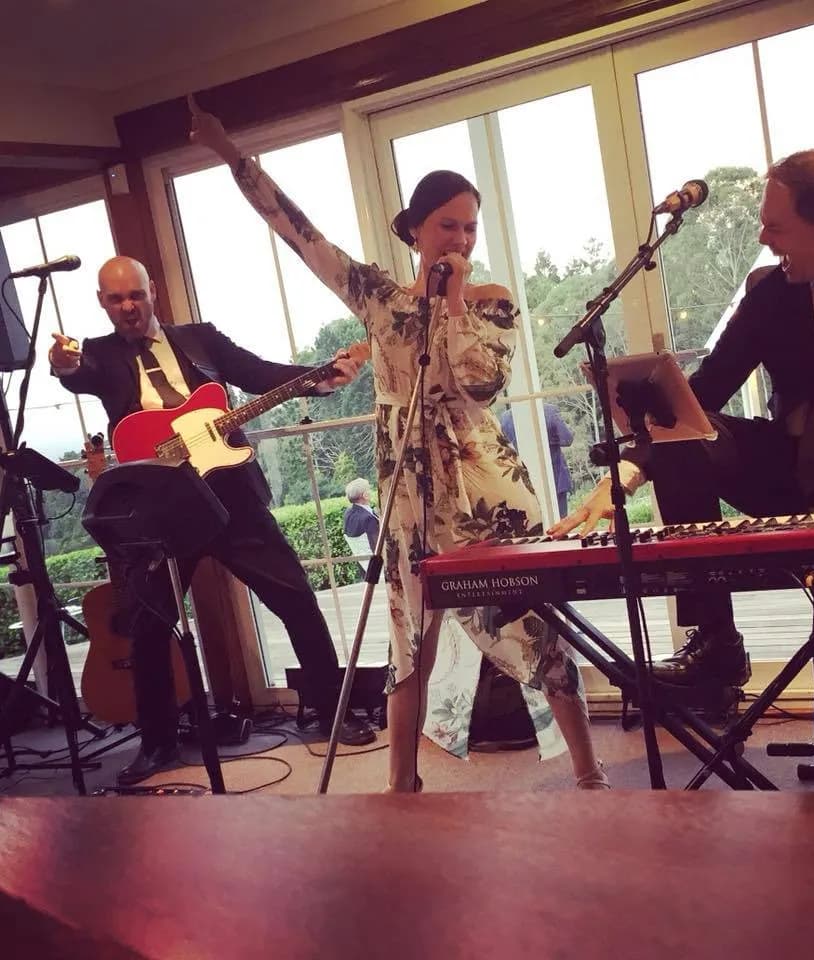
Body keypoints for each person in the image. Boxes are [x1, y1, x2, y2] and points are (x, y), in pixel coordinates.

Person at [189, 96, 609, 792]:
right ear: (416, 229)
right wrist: (232, 156)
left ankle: (590, 773)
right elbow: (301, 235)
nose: (462, 241)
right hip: (408, 491)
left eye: (471, 228)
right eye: (448, 226)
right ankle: (400, 785)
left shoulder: (493, 301)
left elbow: (480, 386)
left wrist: (452, 303)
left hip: (484, 488)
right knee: (410, 635)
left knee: (533, 625)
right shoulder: (379, 299)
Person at [552, 148, 814, 790]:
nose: (763, 238)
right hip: (790, 467)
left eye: (777, 226)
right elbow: (702, 396)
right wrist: (630, 470)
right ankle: (716, 640)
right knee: (690, 437)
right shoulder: (771, 292)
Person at [49, 255, 377, 786]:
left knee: (295, 595)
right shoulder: (99, 356)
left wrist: (318, 379)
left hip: (229, 495)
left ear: (152, 290)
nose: (128, 307)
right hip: (159, 507)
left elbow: (256, 372)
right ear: (102, 303)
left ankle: (331, 713)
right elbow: (75, 374)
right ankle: (157, 745)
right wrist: (62, 365)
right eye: (115, 300)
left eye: (135, 294)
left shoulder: (201, 339)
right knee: (147, 624)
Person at [500, 403, 574, 516]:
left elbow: (505, 449)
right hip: (555, 477)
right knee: (559, 525)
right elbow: (567, 439)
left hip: (523, 480)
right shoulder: (549, 410)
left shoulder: (505, 418)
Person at [342, 477, 380, 571]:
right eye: (369, 489)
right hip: (377, 568)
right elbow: (379, 546)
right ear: (365, 495)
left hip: (363, 567)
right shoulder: (368, 519)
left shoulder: (348, 513)